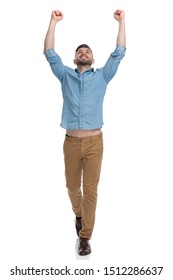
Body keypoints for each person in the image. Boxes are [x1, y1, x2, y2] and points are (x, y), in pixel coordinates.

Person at [44, 9, 126, 256]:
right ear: (75, 58)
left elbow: (119, 52)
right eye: (80, 51)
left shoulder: (102, 76)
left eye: (87, 51)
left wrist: (122, 22)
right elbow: (49, 52)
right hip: (70, 142)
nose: (84, 53)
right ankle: (78, 215)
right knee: (71, 187)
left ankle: (85, 236)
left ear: (92, 58)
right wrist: (53, 22)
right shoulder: (65, 75)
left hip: (94, 143)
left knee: (91, 190)